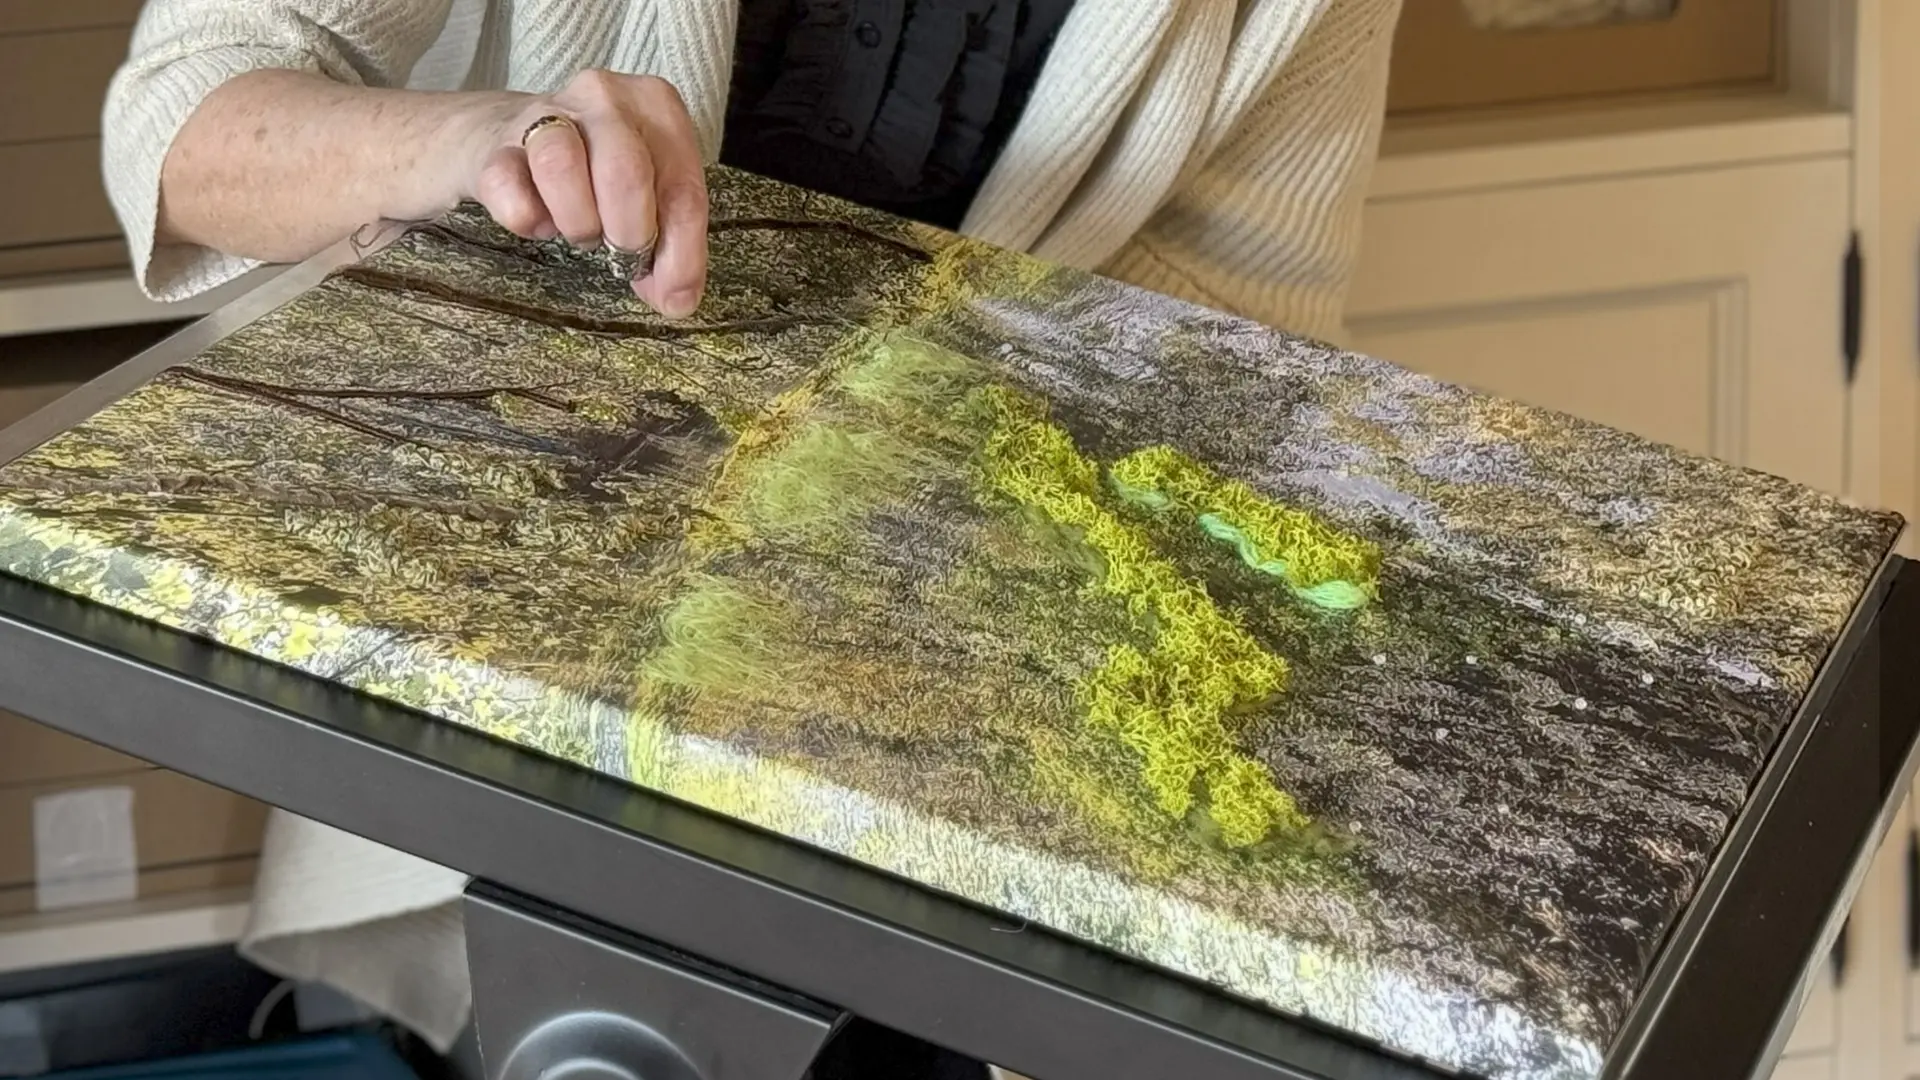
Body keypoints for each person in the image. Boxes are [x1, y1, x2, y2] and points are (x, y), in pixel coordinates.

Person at [100, 0, 1403, 1072]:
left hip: (946, 738)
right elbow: (184, 123)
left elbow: (1237, 349)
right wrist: (480, 141)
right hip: (529, 690)